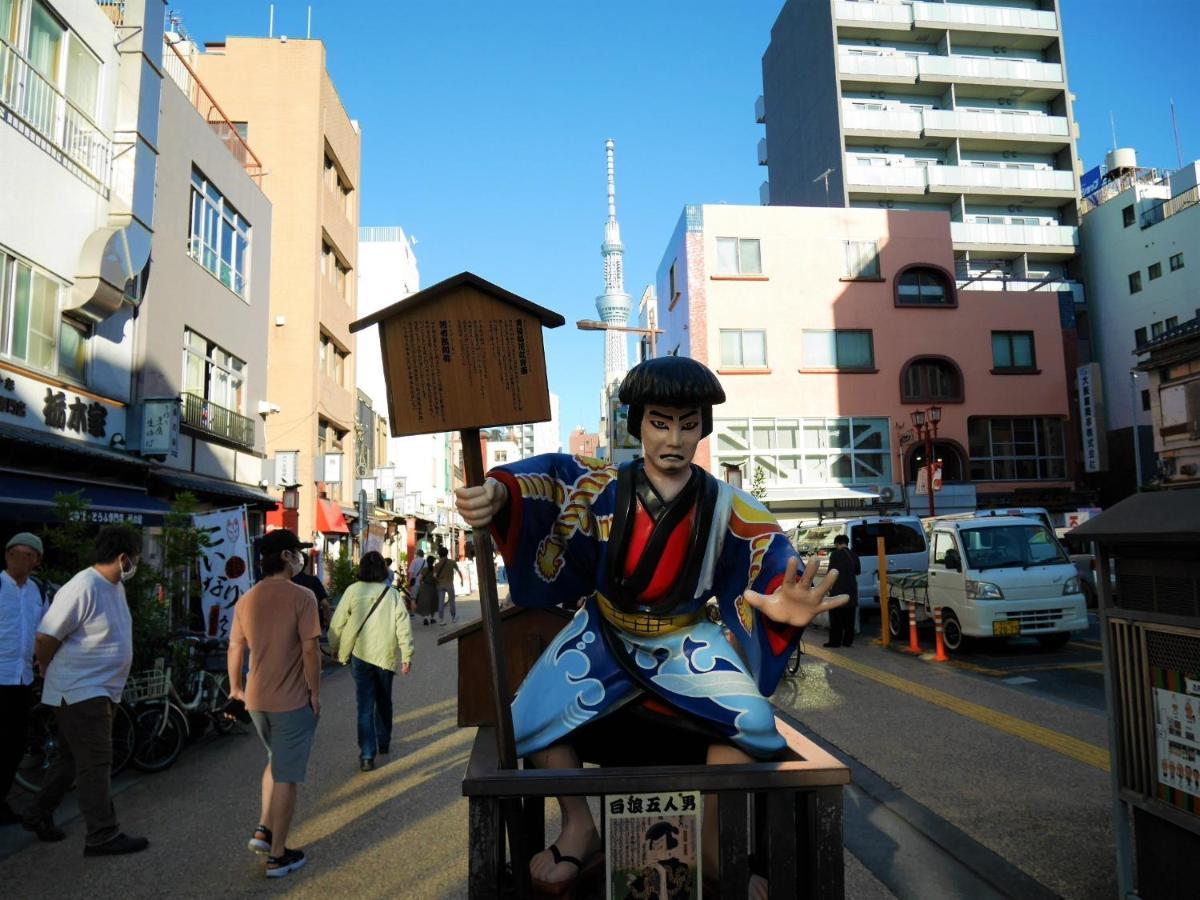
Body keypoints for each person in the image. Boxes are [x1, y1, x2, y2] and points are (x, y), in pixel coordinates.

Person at [455, 356, 848, 896]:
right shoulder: (600, 487)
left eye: (689, 424)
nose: (675, 438)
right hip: (603, 631)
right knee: (524, 719)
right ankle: (578, 825)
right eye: (661, 422)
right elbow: (546, 478)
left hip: (684, 636)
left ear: (702, 428)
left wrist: (782, 605)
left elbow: (768, 557)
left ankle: (712, 844)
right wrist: (499, 495)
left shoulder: (726, 504)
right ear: (636, 423)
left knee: (753, 723)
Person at [24, 524, 147, 854]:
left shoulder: (113, 585)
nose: (137, 563)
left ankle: (38, 813)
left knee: (69, 759)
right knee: (96, 761)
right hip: (80, 689)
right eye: (136, 557)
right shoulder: (83, 586)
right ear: (123, 557)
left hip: (99, 689)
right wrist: (46, 668)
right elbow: (45, 636)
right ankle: (102, 835)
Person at [228, 529, 322, 879]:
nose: (300, 558)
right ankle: (278, 856)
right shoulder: (303, 597)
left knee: (274, 760)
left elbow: (235, 647)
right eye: (296, 552)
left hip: (256, 700)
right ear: (285, 556)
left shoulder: (247, 599)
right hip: (291, 699)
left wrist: (236, 687)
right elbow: (310, 650)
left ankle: (264, 830)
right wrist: (315, 693)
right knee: (287, 776)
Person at [327, 551, 413, 771]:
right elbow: (403, 624)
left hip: (360, 656)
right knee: (384, 701)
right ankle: (383, 742)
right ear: (383, 571)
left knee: (364, 705)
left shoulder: (352, 591)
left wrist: (334, 646)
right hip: (384, 656)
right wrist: (407, 654)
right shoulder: (391, 593)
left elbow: (337, 623)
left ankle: (367, 755)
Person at [1, 533, 48, 826]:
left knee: (14, 744)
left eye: (30, 555)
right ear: (7, 555)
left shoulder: (38, 591)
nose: (23, 560)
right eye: (17, 553)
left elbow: (43, 630)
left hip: (22, 678)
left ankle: (1, 799)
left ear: (37, 561)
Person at [825, 535, 861, 648]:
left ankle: (835, 642)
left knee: (836, 619)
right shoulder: (854, 555)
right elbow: (858, 571)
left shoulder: (835, 554)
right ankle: (847, 642)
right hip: (851, 591)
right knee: (849, 619)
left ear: (837, 544)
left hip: (838, 591)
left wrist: (827, 588)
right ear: (846, 542)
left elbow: (831, 573)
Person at [291, 553, 330, 629]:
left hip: (291, 625)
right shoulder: (314, 581)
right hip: (311, 624)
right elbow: (325, 604)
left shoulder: (287, 581)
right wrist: (327, 622)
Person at [431, 545, 464, 626]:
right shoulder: (452, 562)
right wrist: (461, 580)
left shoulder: (437, 565)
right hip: (449, 584)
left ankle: (441, 620)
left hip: (440, 585)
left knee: (441, 602)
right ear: (447, 553)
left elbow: (434, 576)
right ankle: (453, 618)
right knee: (452, 601)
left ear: (439, 554)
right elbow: (458, 571)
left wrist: (438, 581)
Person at [414, 551, 439, 626]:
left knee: (425, 603)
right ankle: (432, 618)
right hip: (433, 587)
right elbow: (435, 577)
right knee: (433, 602)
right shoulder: (434, 569)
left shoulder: (424, 569)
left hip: (425, 587)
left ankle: (425, 618)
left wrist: (422, 583)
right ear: (433, 561)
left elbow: (420, 578)